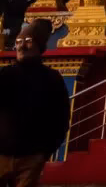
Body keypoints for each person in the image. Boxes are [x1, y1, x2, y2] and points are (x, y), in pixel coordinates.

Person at [0, 20, 71, 187]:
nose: (22, 46)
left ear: (39, 46)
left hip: (32, 156)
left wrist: (45, 151)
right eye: (18, 41)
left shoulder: (51, 79)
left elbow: (61, 117)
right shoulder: (5, 75)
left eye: (28, 41)